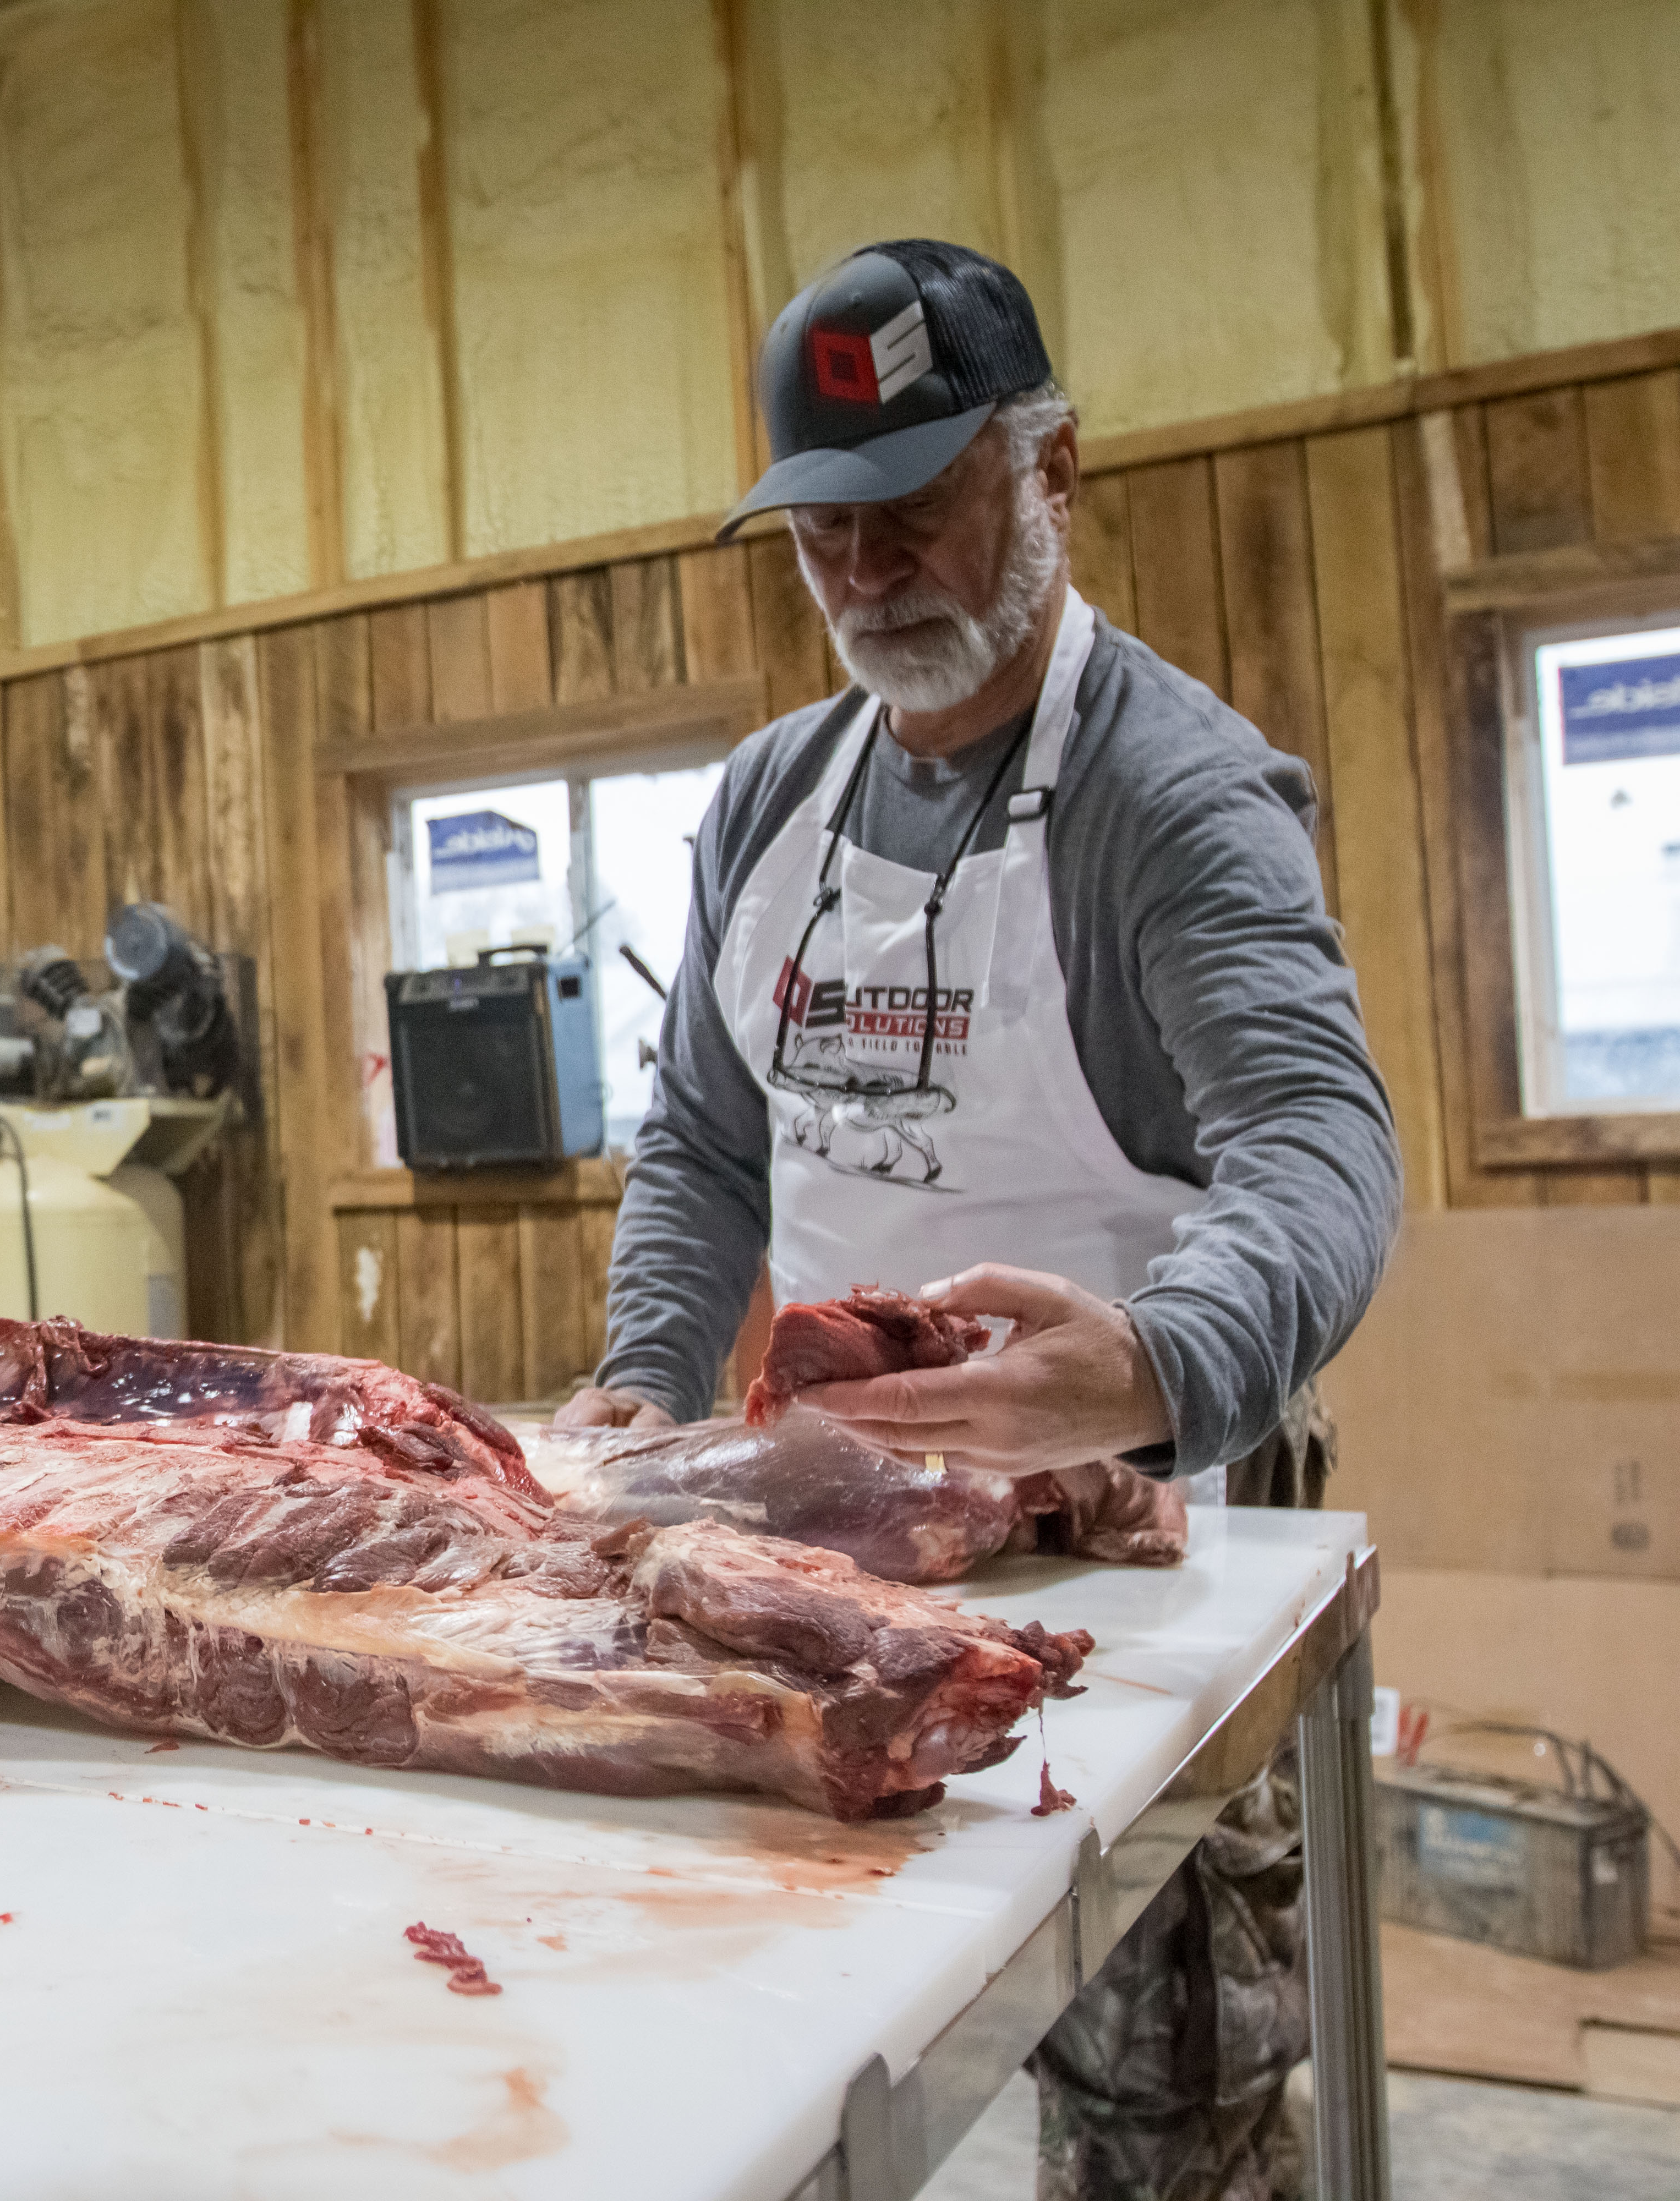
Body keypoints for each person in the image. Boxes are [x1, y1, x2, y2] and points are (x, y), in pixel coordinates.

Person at [553, 242, 1399, 2199]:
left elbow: (1321, 1144)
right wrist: (640, 1373)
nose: (864, 576)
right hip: (836, 1511)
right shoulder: (775, 797)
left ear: (1053, 472)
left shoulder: (1169, 800)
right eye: (820, 533)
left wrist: (1158, 1367)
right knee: (800, 2040)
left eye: (913, 509)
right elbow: (700, 1142)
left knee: (1155, 2089)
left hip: (1144, 1519)